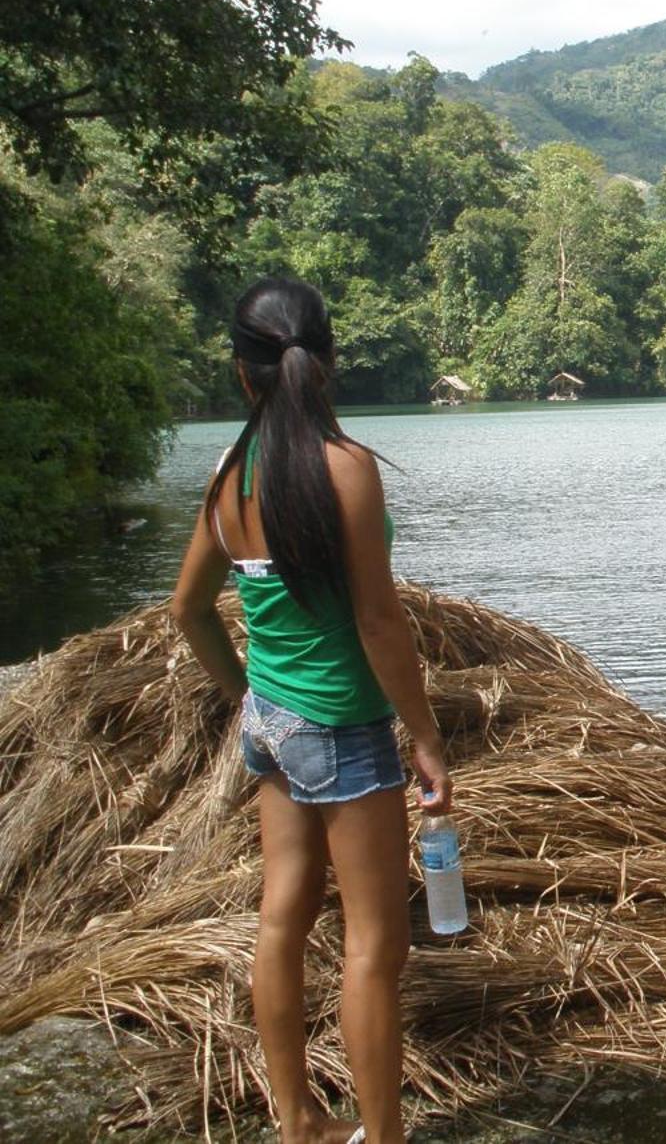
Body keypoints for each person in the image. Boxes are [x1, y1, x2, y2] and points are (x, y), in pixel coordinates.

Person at [171, 277, 450, 1144]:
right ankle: (383, 1136)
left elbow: (187, 610)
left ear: (241, 372)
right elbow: (378, 622)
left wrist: (244, 698)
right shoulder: (345, 467)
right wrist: (427, 734)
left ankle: (298, 1122)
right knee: (374, 945)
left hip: (272, 728)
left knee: (282, 919)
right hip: (343, 729)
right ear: (326, 363)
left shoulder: (228, 475)